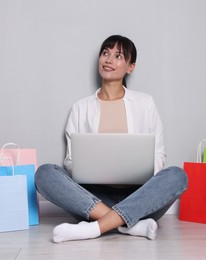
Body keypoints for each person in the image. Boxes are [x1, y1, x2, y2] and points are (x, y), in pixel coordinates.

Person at [34, 35, 188, 243]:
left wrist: (136, 171)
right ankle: (129, 225)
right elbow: (70, 161)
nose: (109, 60)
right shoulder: (81, 107)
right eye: (105, 53)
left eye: (118, 56)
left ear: (130, 67)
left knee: (177, 176)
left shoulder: (145, 103)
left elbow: (158, 155)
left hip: (140, 197)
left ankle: (95, 228)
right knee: (44, 173)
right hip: (93, 199)